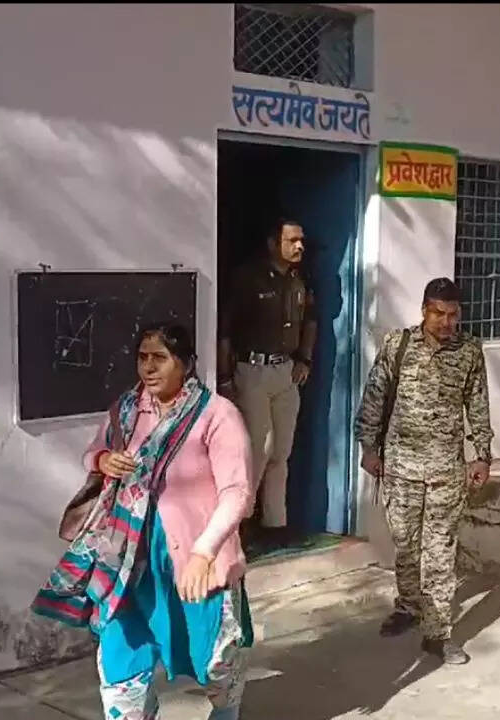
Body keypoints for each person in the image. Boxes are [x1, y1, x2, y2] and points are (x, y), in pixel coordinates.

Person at [32, 323, 255, 720]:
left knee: (216, 659)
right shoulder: (127, 410)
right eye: (142, 358)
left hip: (192, 562)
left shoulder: (217, 415)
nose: (148, 368)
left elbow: (237, 492)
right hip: (127, 561)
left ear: (185, 363)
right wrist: (104, 461)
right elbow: (94, 451)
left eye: (160, 358)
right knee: (120, 662)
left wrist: (204, 554)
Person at [355, 278, 493, 665]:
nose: (446, 322)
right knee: (405, 544)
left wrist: (482, 454)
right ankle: (408, 606)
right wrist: (369, 447)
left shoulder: (469, 352)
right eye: (438, 314)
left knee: (439, 551)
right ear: (424, 311)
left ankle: (437, 633)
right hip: (400, 467)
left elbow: (478, 404)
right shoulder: (398, 345)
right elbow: (375, 396)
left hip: (446, 469)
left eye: (453, 315)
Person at [219, 218, 316, 547]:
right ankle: (241, 523)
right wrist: (224, 377)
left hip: (285, 371)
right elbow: (226, 331)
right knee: (257, 450)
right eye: (292, 240)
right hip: (252, 370)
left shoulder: (300, 279)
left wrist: (304, 358)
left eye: (301, 240)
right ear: (274, 244)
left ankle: (275, 524)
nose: (299, 246)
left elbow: (311, 321)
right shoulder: (248, 278)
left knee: (281, 452)